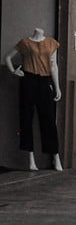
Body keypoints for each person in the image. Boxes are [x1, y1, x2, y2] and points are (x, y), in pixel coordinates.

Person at [4, 28, 63, 171]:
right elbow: (7, 57)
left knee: (49, 119)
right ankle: (31, 160)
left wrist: (57, 87)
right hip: (28, 80)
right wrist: (13, 71)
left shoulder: (51, 43)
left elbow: (54, 66)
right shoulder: (25, 43)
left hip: (45, 81)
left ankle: (56, 157)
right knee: (26, 118)